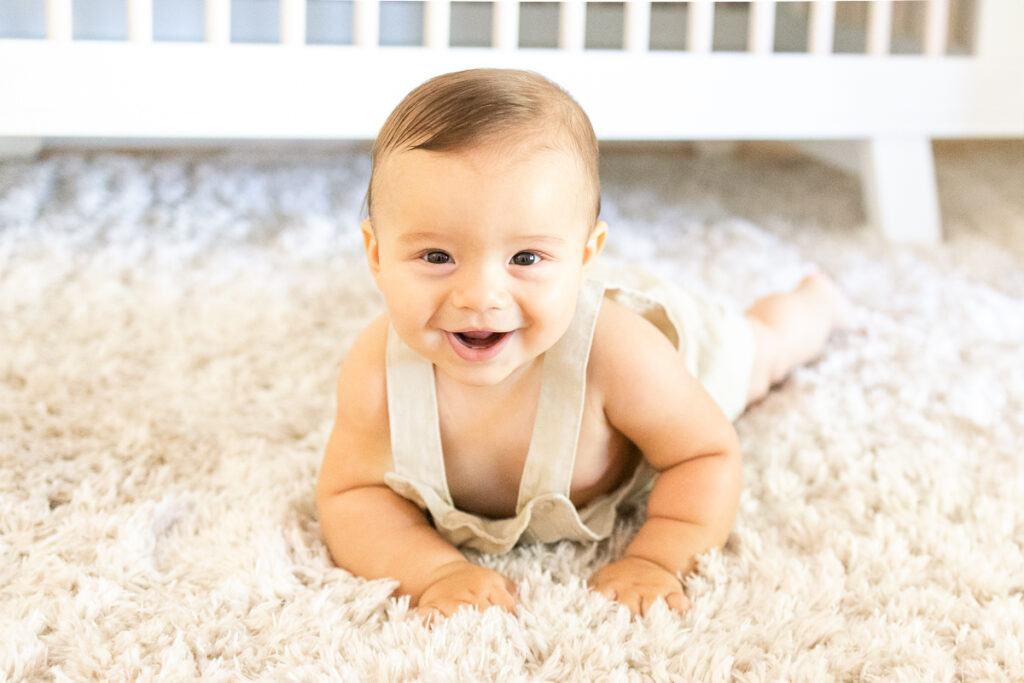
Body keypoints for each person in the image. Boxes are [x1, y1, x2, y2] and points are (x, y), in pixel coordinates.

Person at [316, 68, 853, 623]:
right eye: (436, 257)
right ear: (376, 255)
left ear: (585, 257)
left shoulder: (621, 355)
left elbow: (705, 454)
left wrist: (657, 559)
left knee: (763, 351)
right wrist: (437, 572)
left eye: (525, 258)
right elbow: (352, 495)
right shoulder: (376, 372)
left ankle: (814, 303)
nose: (480, 297)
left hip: (682, 354)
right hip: (557, 309)